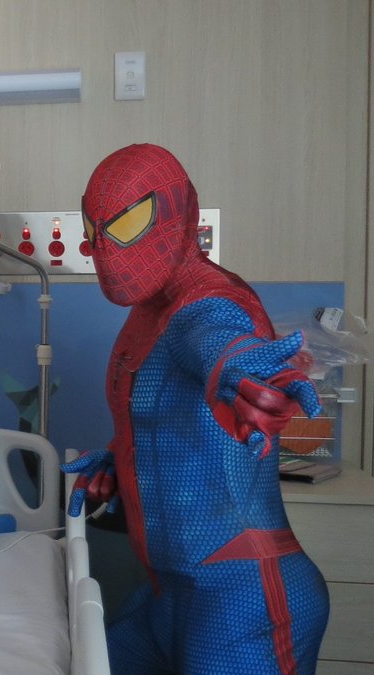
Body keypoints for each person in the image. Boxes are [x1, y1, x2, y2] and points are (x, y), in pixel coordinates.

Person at [66, 143, 329, 674]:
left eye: (128, 223)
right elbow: (172, 415)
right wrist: (123, 460)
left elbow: (214, 339)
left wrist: (243, 367)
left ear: (179, 211)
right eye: (94, 230)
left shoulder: (209, 304)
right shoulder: (147, 312)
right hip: (171, 594)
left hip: (243, 599)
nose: (103, 249)